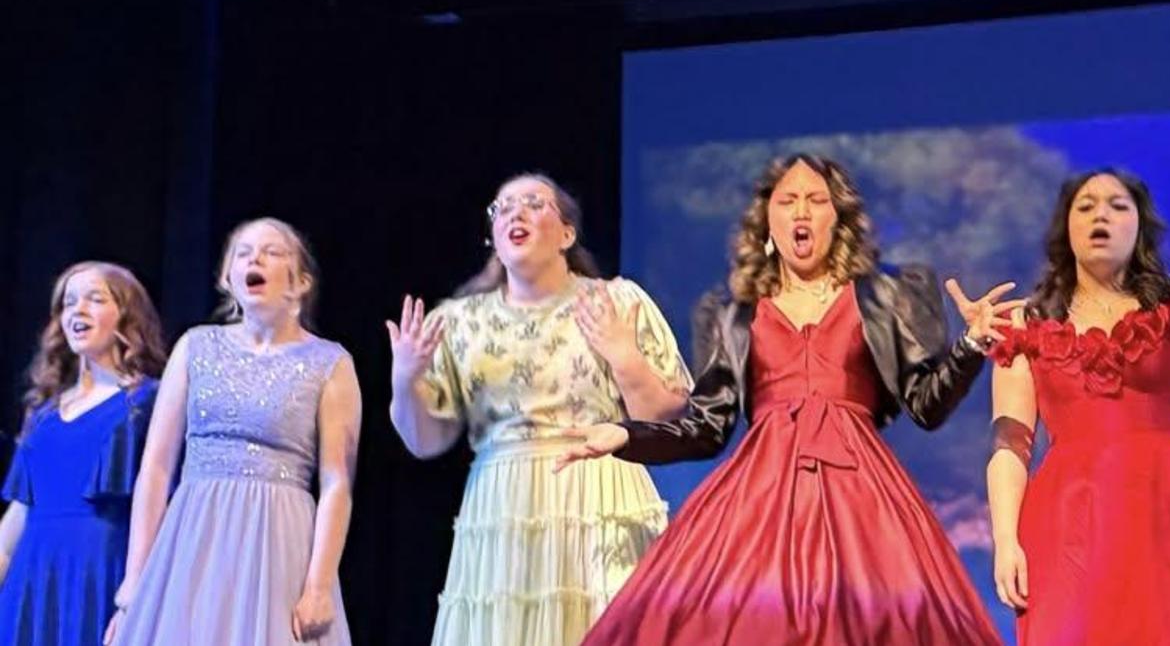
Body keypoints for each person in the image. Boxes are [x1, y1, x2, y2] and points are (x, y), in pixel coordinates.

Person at [562, 154, 1012, 645]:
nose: (802, 212)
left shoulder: (887, 296)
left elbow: (926, 405)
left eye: (816, 200)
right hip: (760, 498)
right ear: (767, 220)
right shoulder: (730, 311)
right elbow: (706, 428)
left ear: (838, 218)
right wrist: (627, 435)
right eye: (788, 201)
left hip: (861, 496)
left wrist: (970, 346)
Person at [387, 173, 691, 646]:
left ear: (567, 234)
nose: (516, 212)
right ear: (493, 237)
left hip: (600, 495)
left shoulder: (615, 301)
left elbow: (664, 416)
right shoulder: (459, 322)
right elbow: (425, 442)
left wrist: (624, 357)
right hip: (504, 505)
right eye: (503, 207)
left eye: (533, 203)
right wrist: (406, 381)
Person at [986, 168, 1170, 645]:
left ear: (1140, 223)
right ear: (1066, 226)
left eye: (1117, 205)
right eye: (1085, 207)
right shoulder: (1030, 320)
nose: (1100, 216)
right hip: (1071, 520)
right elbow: (1011, 445)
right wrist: (1005, 541)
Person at [111, 218, 360, 644]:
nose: (254, 259)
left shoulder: (329, 362)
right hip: (194, 536)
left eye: (271, 252)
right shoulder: (196, 346)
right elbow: (155, 467)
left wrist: (319, 585)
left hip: (276, 541)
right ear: (228, 278)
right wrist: (135, 578)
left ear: (300, 283)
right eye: (242, 253)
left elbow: (337, 482)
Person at [0, 262, 167, 646]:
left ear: (127, 315)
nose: (78, 309)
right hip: (32, 581)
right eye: (69, 302)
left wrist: (134, 597)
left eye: (95, 299)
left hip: (99, 574)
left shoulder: (145, 402)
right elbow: (17, 517)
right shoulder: (42, 414)